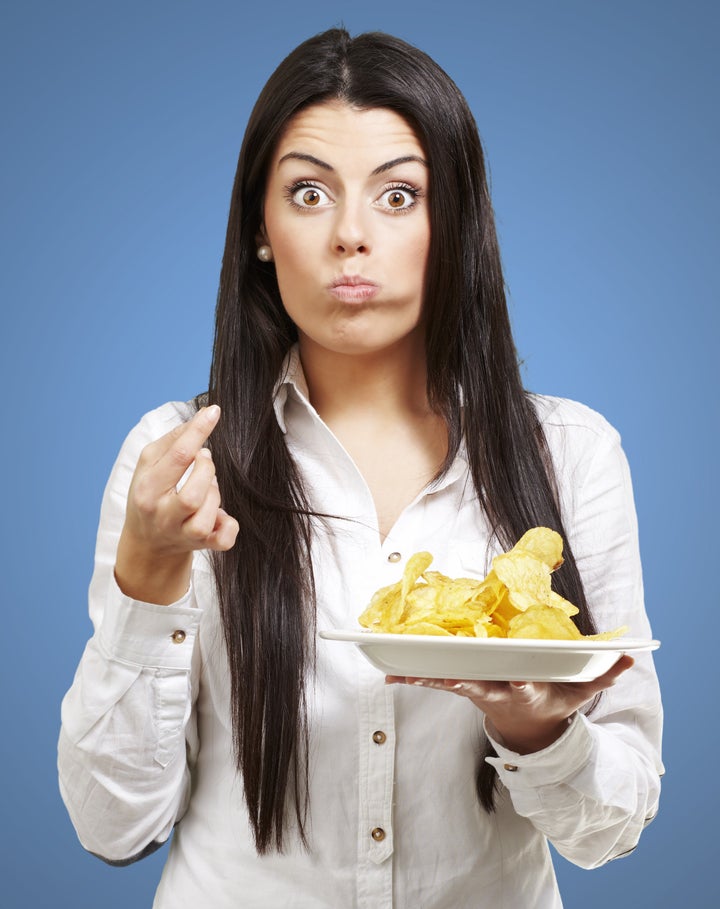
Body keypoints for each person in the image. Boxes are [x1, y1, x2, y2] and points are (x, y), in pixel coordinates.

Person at [58, 28, 663, 909]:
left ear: (451, 224)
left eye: (398, 195)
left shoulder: (572, 456)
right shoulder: (176, 464)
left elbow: (614, 826)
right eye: (309, 192)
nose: (350, 236)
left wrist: (538, 733)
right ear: (260, 231)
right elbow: (110, 824)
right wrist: (147, 577)